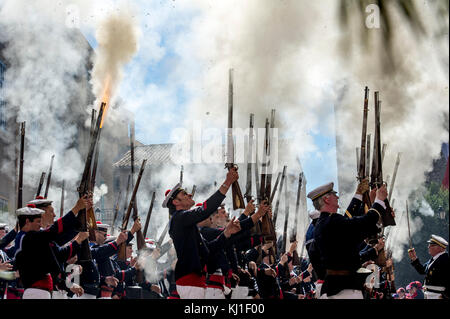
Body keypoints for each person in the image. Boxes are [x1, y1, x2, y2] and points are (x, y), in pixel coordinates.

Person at [162, 168, 242, 299]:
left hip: (195, 281)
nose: (189, 195)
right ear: (176, 202)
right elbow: (204, 210)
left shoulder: (184, 221)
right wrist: (227, 183)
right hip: (190, 281)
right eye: (184, 195)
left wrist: (227, 233)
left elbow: (209, 249)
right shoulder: (179, 218)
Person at [310, 181, 389, 299]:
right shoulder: (333, 221)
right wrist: (379, 201)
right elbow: (364, 224)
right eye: (333, 194)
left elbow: (358, 231)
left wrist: (372, 206)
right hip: (345, 290)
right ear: (326, 200)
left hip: (335, 288)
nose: (337, 197)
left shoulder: (324, 224)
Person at [14, 195, 91, 299]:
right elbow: (53, 232)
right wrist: (76, 209)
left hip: (43, 292)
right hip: (37, 292)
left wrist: (79, 220)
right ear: (28, 221)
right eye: (38, 221)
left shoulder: (34, 237)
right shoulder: (28, 237)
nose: (40, 225)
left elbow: (58, 250)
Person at [408, 234, 449, 299]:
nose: (428, 247)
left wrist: (445, 296)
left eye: (432, 245)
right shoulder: (434, 259)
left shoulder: (445, 260)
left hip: (438, 295)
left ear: (441, 248)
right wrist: (414, 259)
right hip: (429, 295)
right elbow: (422, 271)